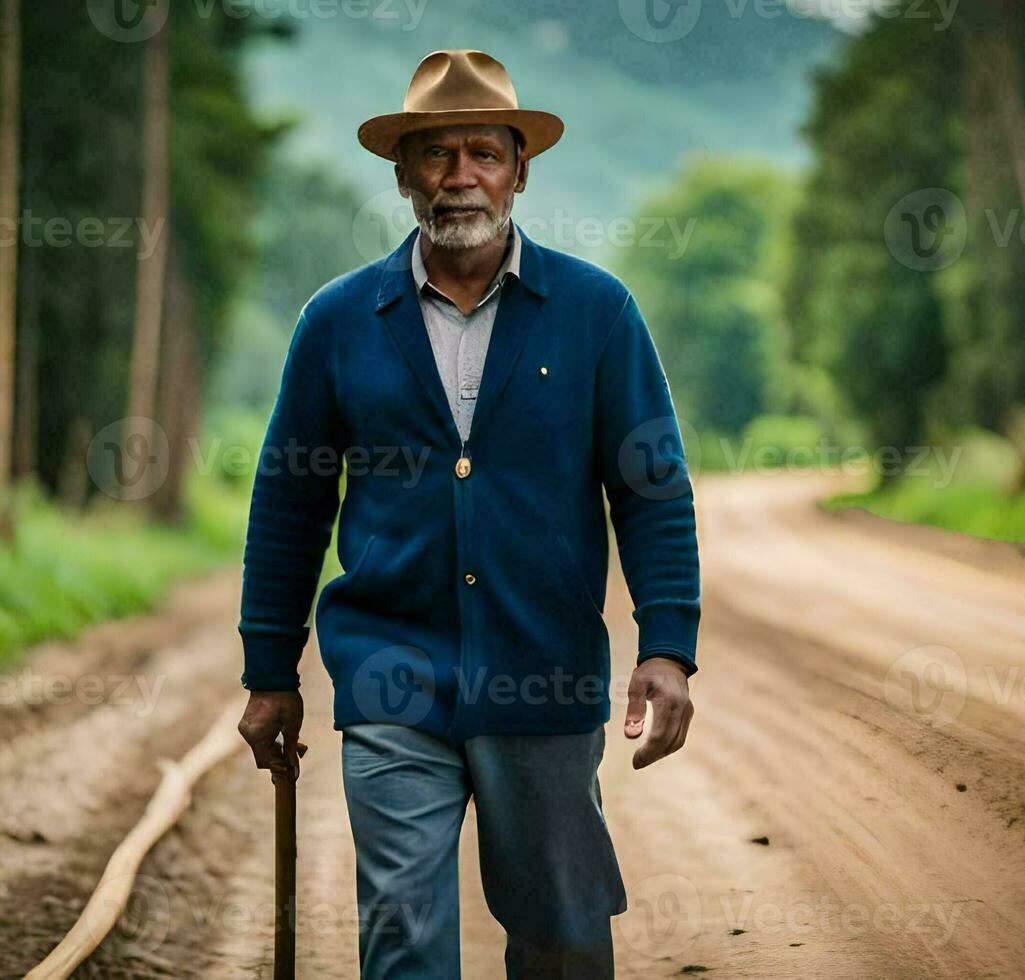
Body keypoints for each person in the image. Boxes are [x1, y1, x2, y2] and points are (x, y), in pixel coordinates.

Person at [236, 48, 701, 979]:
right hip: (390, 679)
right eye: (436, 153)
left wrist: (666, 645)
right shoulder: (336, 322)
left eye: (483, 152)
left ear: (520, 170)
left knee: (561, 938)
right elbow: (290, 501)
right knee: (403, 935)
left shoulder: (596, 312)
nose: (461, 176)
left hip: (545, 674)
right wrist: (268, 668)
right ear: (402, 173)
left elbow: (651, 490)